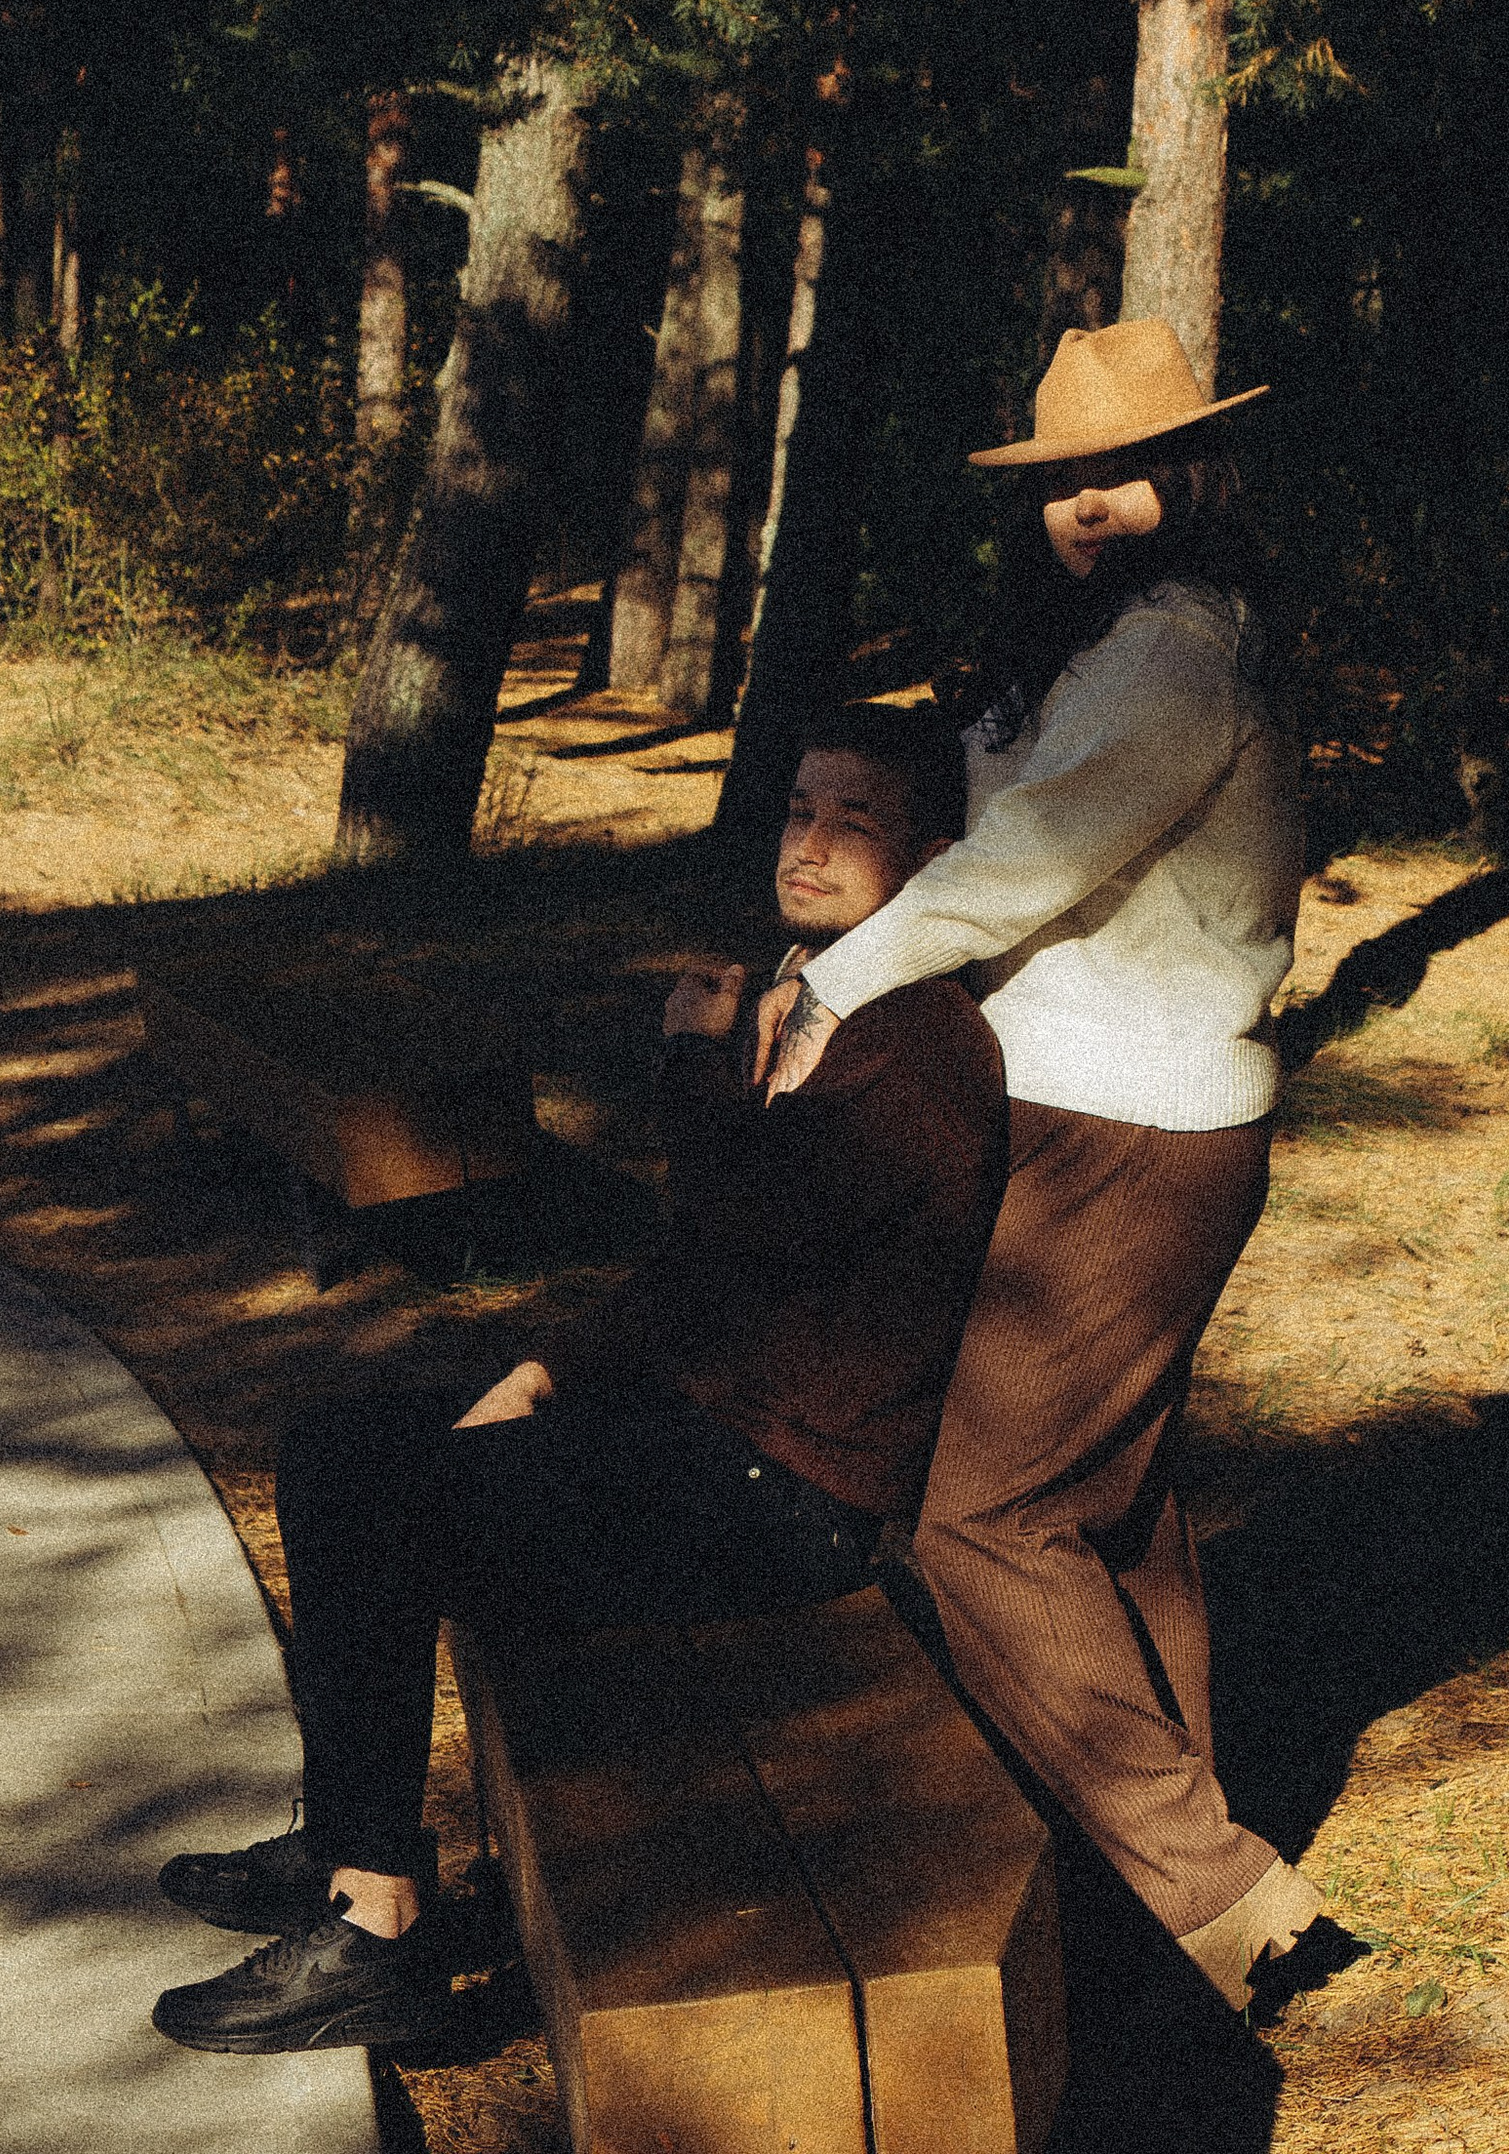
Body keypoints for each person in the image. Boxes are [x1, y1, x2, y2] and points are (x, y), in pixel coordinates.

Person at [149, 702, 1002, 2058]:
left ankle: (373, 1926)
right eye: (799, 810)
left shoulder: (922, 1046)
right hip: (699, 1430)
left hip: (790, 1493)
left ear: (938, 859)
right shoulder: (808, 996)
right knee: (334, 1445)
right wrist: (546, 1367)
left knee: (395, 1497)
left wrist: (688, 1063)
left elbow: (747, 1226)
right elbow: (696, 1273)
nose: (814, 845)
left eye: (858, 824)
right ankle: (349, 1849)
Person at [763, 316, 1314, 2015]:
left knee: (979, 1516)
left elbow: (1030, 861)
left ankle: (1220, 1903)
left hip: (1138, 1124)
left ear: (1194, 480)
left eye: (1127, 474)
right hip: (1088, 1108)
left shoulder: (1173, 654)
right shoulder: (1103, 648)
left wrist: (828, 983)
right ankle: (1157, 1867)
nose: (1093, 504)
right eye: (1069, 480)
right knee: (1106, 1510)